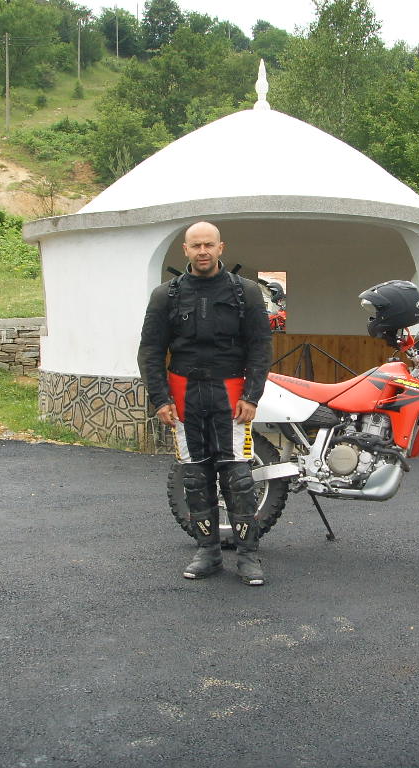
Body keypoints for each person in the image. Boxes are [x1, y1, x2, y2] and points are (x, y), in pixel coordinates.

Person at [138, 222, 273, 585]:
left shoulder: (246, 292)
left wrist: (252, 396)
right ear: (185, 249)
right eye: (196, 245)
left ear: (220, 247)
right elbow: (150, 350)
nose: (202, 251)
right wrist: (160, 399)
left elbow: (261, 346)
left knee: (239, 478)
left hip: (231, 394)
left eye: (208, 245)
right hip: (185, 395)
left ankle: (247, 555)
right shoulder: (165, 295)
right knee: (195, 477)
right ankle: (208, 552)